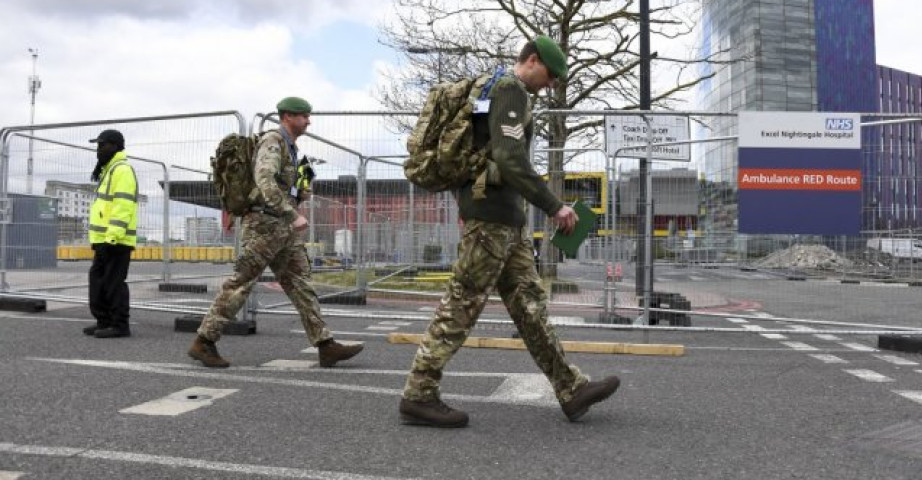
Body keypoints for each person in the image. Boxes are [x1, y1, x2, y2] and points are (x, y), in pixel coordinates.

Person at [399, 36, 620, 428]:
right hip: (491, 221)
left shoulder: (496, 90)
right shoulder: (510, 89)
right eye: (550, 75)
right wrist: (554, 206)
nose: (551, 84)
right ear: (531, 60)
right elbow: (508, 156)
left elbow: (478, 159)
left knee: (530, 306)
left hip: (504, 220)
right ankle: (419, 394)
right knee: (462, 303)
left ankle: (570, 388)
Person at [187, 97, 363, 368]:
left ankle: (325, 345)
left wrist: (298, 193)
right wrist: (292, 213)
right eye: (304, 116)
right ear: (288, 116)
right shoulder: (273, 141)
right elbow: (264, 179)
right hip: (265, 225)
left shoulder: (291, 147)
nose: (309, 121)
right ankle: (204, 342)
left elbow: (280, 185)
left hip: (281, 227)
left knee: (301, 283)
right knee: (241, 283)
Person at [83, 129, 138, 338]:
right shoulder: (110, 170)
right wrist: (101, 240)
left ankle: (119, 325)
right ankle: (104, 321)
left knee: (114, 283)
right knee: (98, 280)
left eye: (102, 144)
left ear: (115, 145)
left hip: (116, 240)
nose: (98, 149)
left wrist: (112, 237)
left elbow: (123, 207)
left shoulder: (122, 170)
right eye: (98, 145)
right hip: (104, 239)